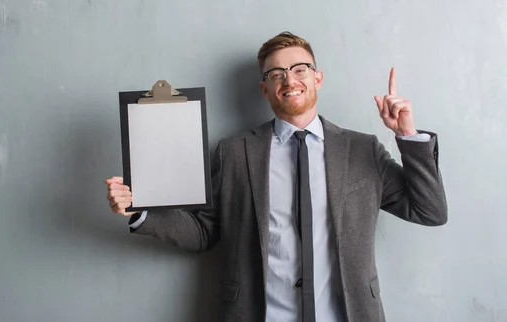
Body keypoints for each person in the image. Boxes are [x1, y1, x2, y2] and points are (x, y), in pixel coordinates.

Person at [105, 31, 447, 322]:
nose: (289, 80)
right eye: (276, 74)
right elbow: (204, 231)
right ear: (264, 88)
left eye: (300, 69)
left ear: (318, 78)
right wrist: (141, 212)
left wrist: (407, 135)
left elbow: (429, 211)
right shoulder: (235, 152)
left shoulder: (362, 150)